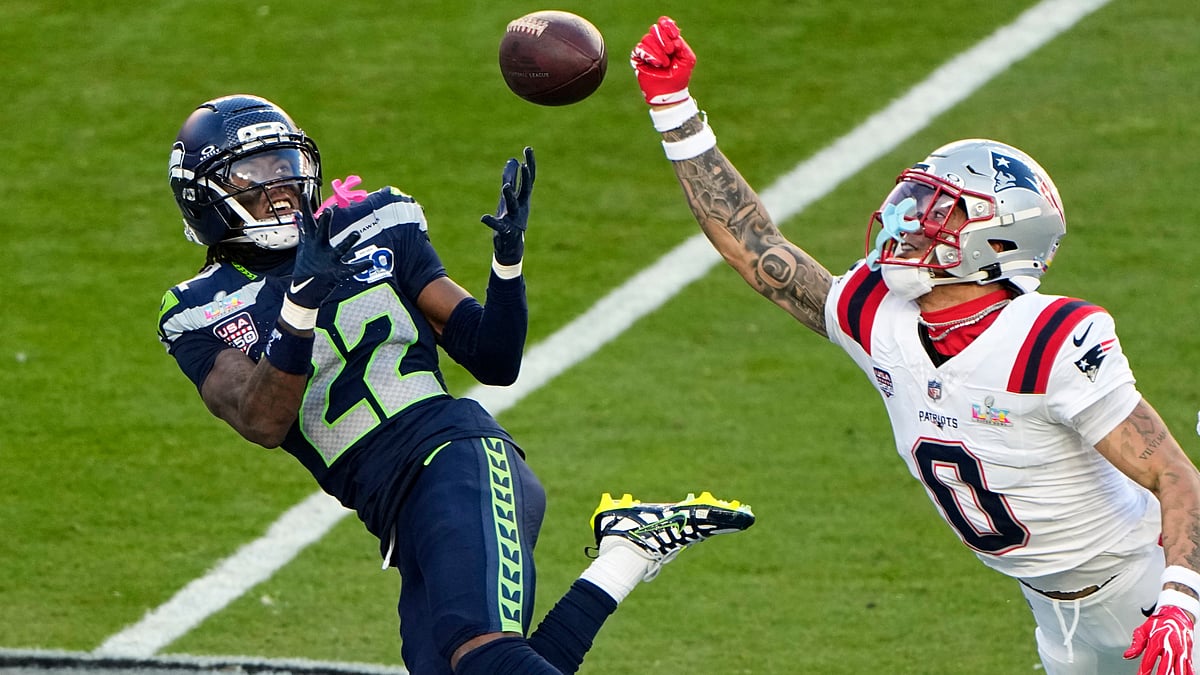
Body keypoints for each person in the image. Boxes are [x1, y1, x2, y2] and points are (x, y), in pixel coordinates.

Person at [629, 16, 1200, 675]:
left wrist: (1182, 602)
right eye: (916, 199)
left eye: (940, 209)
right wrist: (675, 111)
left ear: (1001, 238)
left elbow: (1175, 475)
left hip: (1149, 594)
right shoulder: (878, 311)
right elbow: (761, 252)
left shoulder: (1047, 340)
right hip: (1053, 614)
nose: (908, 219)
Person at [156, 94, 755, 674]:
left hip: (455, 455)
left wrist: (507, 264)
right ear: (203, 195)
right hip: (391, 507)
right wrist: (299, 308)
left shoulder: (373, 223)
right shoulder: (197, 309)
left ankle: (629, 551)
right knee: (478, 664)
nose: (281, 185)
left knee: (481, 650)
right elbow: (262, 420)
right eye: (255, 174)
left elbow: (492, 356)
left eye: (287, 166)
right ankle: (626, 555)